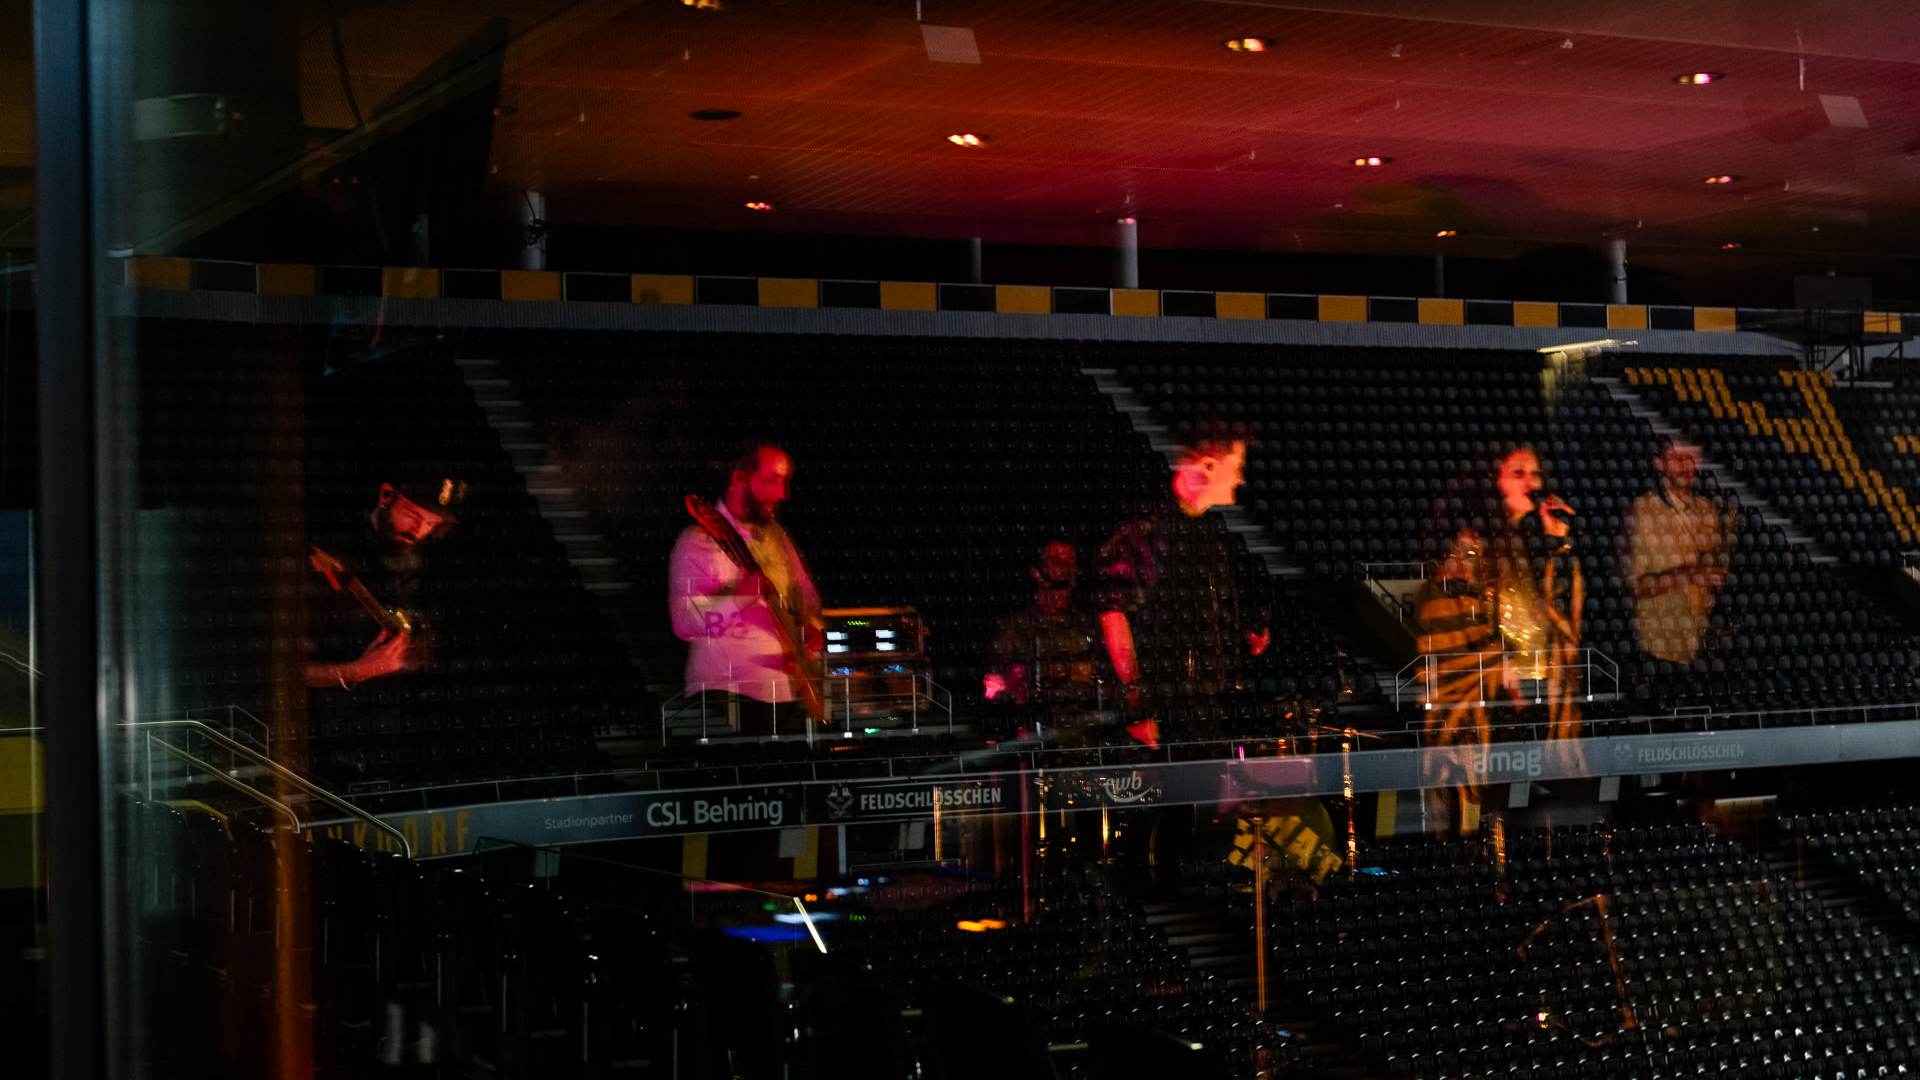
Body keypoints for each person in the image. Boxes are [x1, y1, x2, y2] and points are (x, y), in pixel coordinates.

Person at [1096, 439, 1270, 724]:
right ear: (1208, 465)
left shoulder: (1210, 533)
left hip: (1203, 706)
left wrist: (1241, 633)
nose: (1240, 478)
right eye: (1236, 467)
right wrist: (1136, 700)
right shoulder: (1144, 528)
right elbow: (1113, 611)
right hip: (1162, 712)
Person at [668, 444, 823, 736]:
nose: (782, 493)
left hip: (790, 689)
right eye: (771, 480)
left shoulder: (776, 537)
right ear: (739, 479)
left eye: (784, 481)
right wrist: (739, 599)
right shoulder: (697, 542)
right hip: (733, 695)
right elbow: (684, 624)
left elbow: (807, 595)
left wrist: (812, 626)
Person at [304, 478, 459, 689]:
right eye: (413, 515)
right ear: (386, 494)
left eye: (431, 523)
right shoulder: (332, 549)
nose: (418, 530)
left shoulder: (424, 563)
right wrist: (359, 671)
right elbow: (286, 670)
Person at [1626, 440, 1729, 665]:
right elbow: (1632, 587)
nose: (1688, 465)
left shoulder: (1707, 509)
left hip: (1699, 645)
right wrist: (1689, 575)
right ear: (1659, 463)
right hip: (1658, 651)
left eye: (1693, 457)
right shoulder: (1640, 511)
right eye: (1678, 458)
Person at [984, 539, 1103, 717]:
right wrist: (1009, 685)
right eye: (1056, 561)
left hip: (1085, 723)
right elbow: (993, 689)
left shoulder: (1090, 622)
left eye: (1069, 562)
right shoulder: (1014, 627)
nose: (1064, 569)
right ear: (1036, 572)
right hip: (1034, 727)